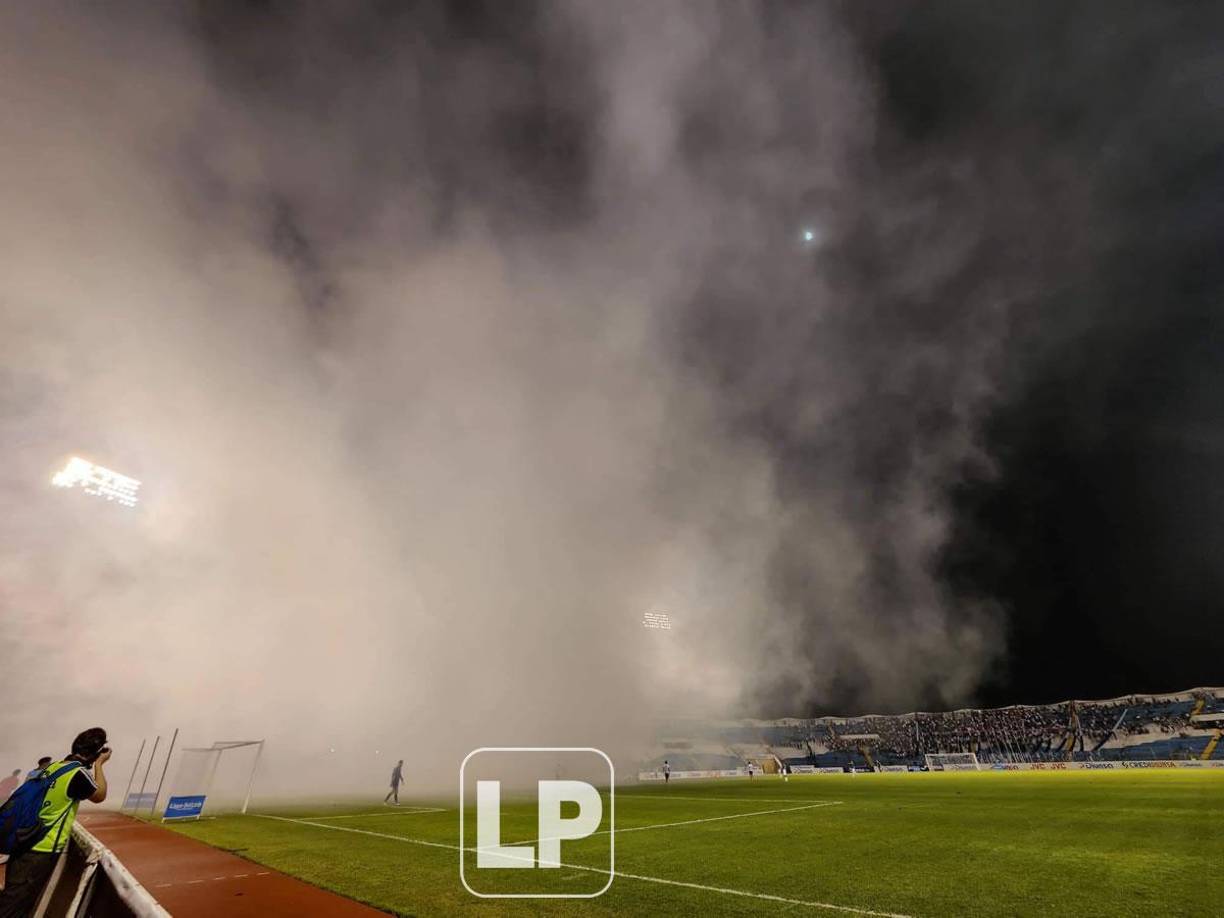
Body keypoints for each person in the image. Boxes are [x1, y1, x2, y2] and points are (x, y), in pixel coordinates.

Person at [0, 728, 110, 918]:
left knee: (13, 898)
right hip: (42, 848)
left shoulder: (52, 767)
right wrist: (100, 764)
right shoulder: (77, 773)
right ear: (95, 752)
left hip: (23, 840)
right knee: (13, 908)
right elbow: (100, 795)